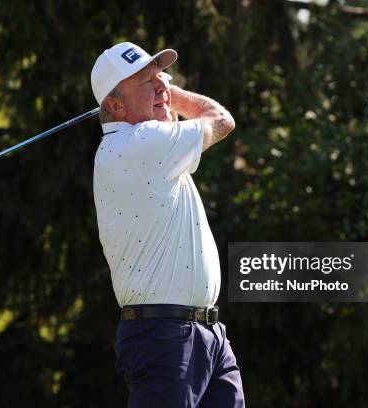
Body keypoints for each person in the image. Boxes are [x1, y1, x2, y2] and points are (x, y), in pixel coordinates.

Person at [91, 41, 245, 407]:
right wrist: (172, 95)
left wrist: (156, 94)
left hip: (206, 335)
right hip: (165, 338)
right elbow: (221, 120)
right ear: (115, 105)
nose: (162, 86)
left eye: (162, 77)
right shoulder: (141, 143)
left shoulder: (147, 145)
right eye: (147, 82)